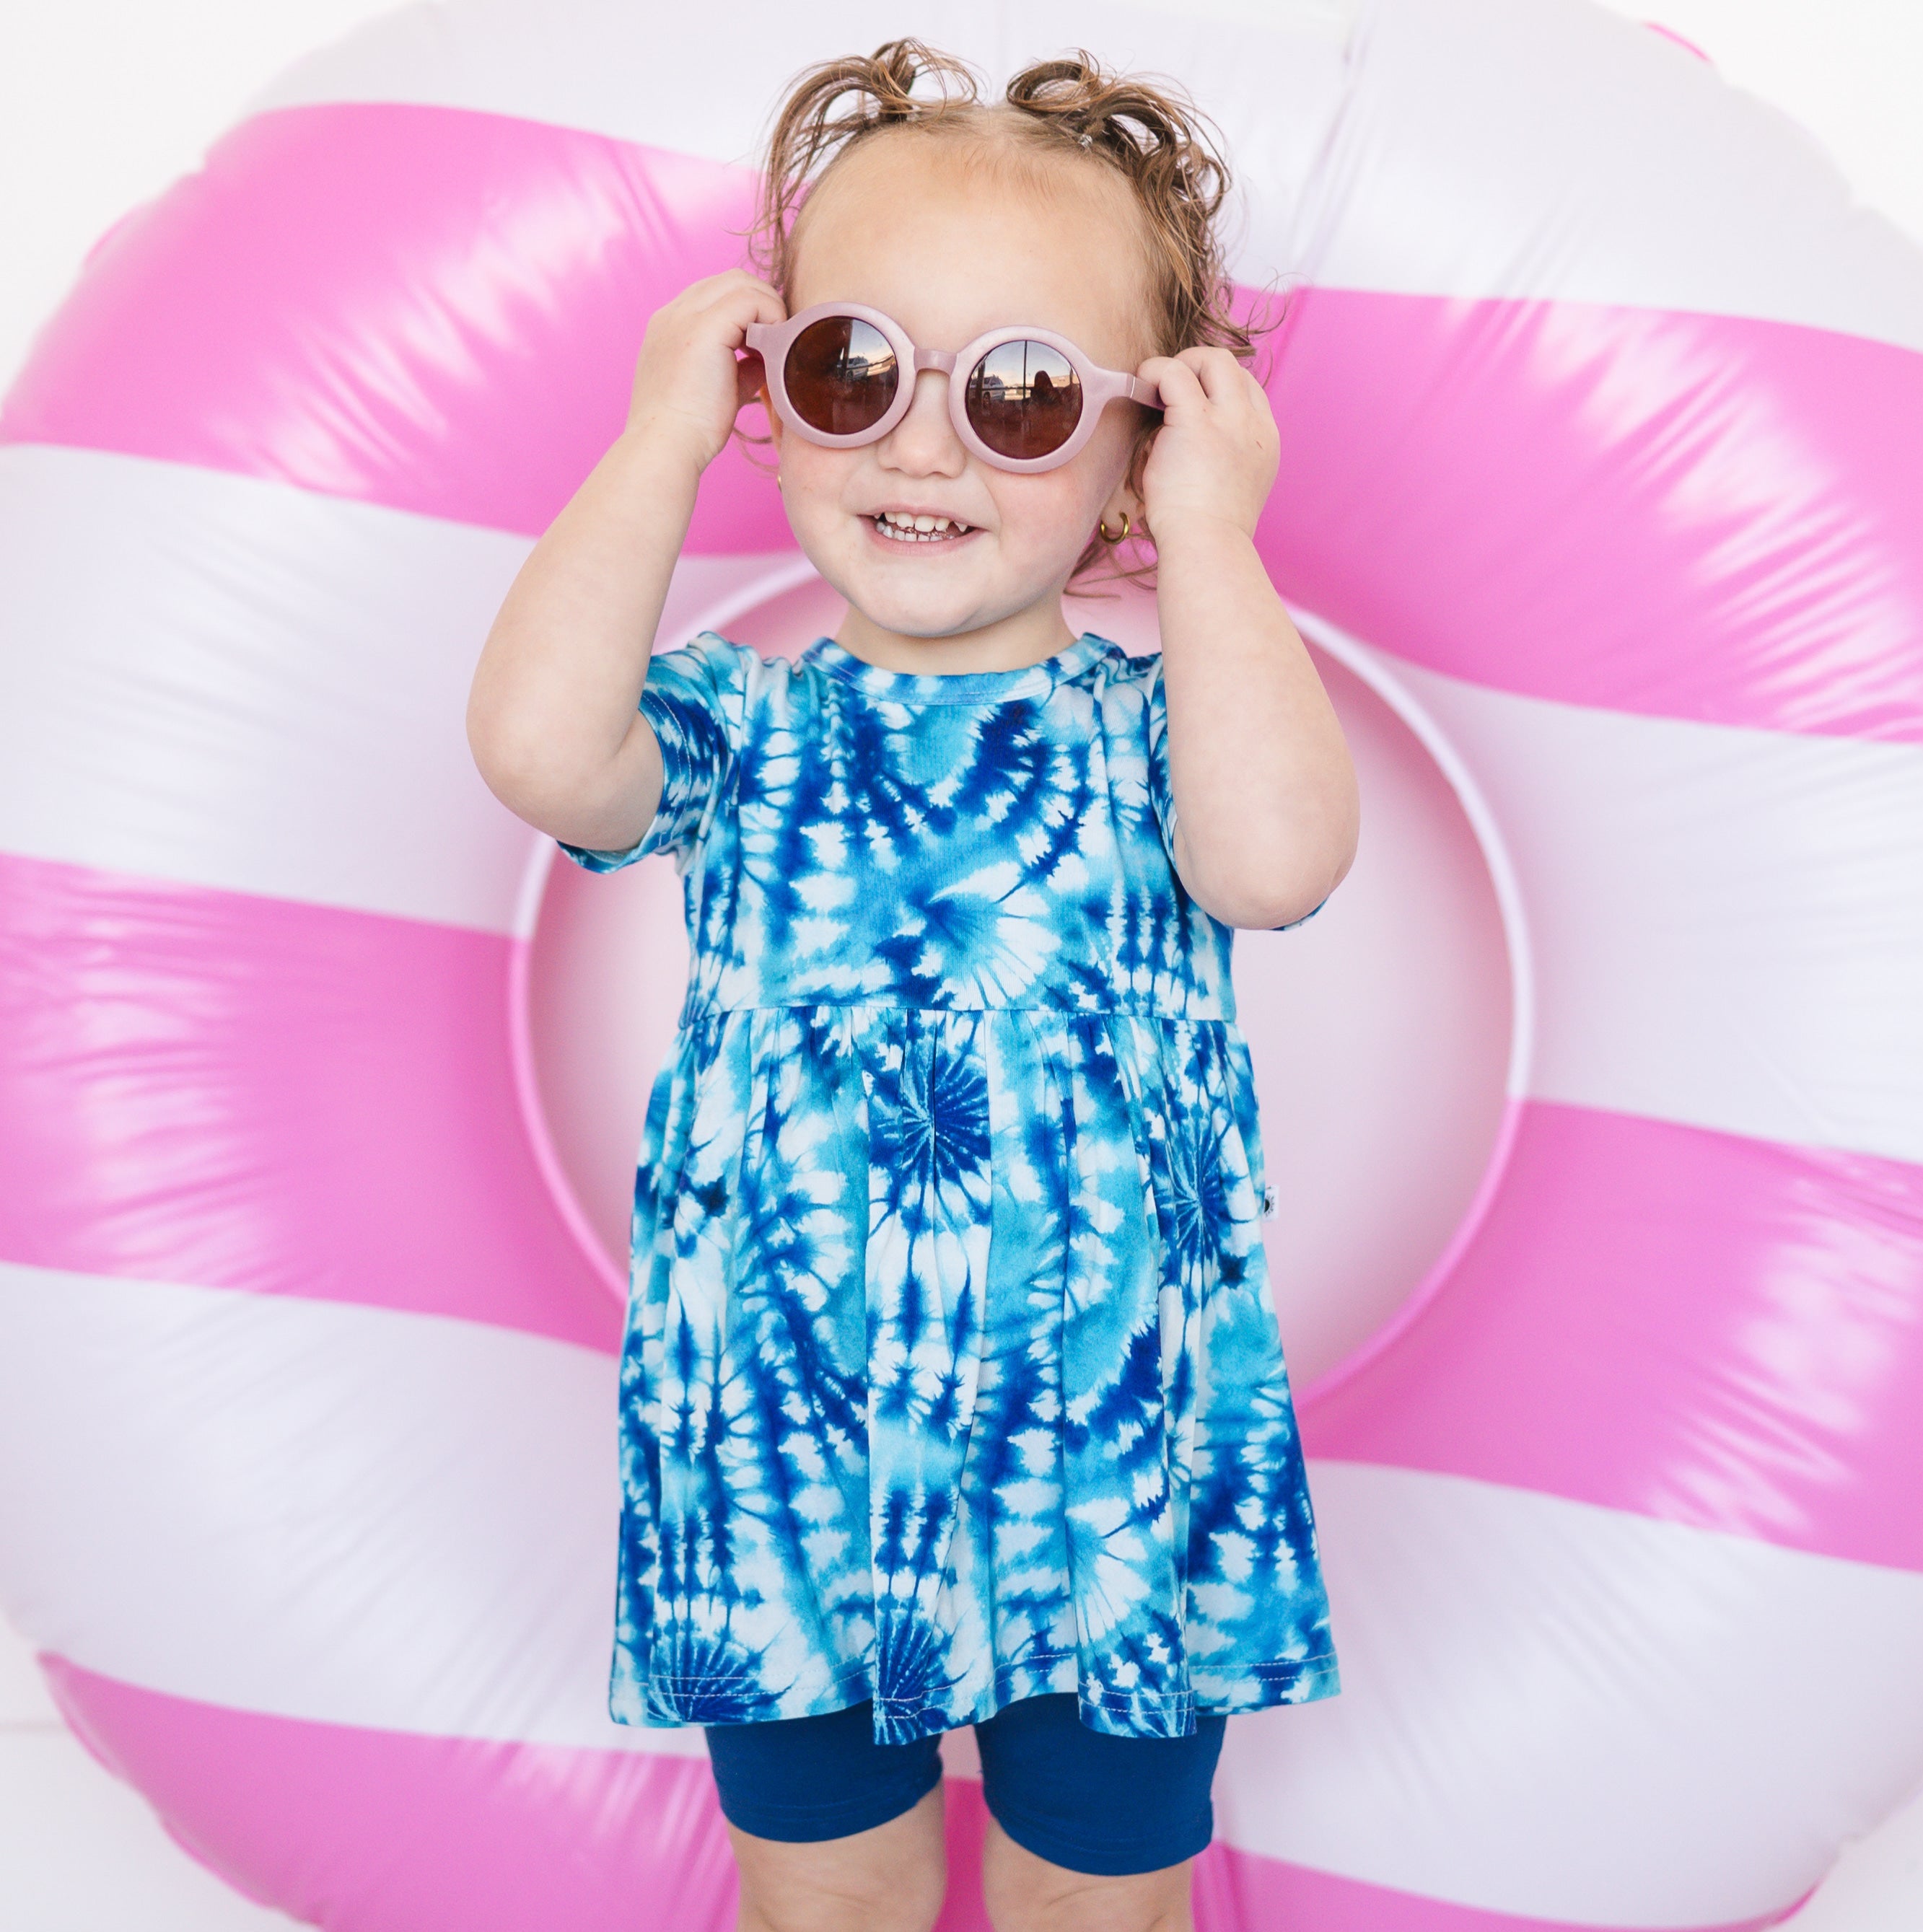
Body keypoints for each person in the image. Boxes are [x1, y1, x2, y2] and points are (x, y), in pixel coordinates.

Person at [466, 37, 1357, 1932]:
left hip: (1112, 1456)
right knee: (826, 1906)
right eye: (853, 371)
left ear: (1136, 452)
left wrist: (1215, 535)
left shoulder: (1165, 737)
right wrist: (655, 437)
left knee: (1096, 1906)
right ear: (770, 395)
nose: (929, 443)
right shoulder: (746, 729)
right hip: (781, 1447)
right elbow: (547, 752)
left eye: (1028, 394)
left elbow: (1278, 861)